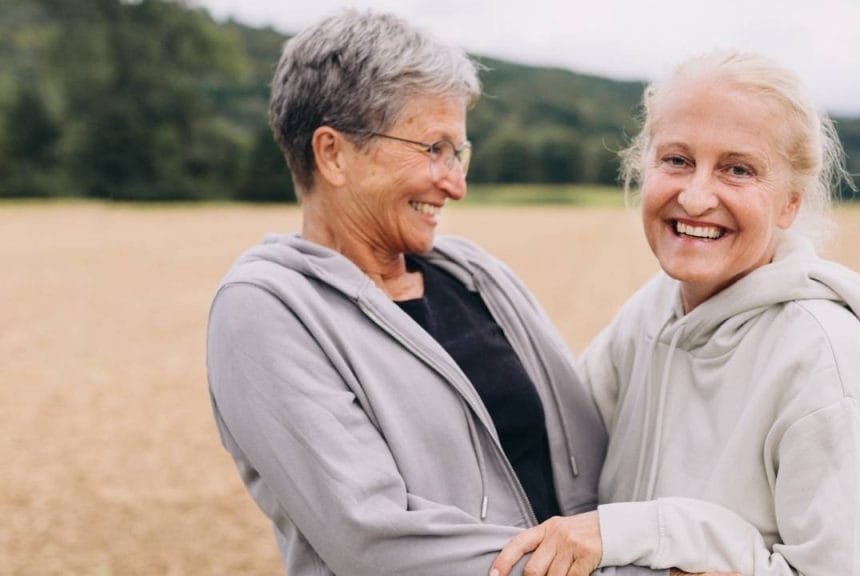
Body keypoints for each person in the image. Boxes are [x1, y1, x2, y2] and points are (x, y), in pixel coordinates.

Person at [207, 9, 672, 576]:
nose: (456, 183)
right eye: (433, 149)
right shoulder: (264, 311)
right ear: (333, 154)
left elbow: (595, 462)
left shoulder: (478, 275)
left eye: (459, 152)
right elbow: (374, 538)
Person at [491, 51, 860, 576]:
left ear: (790, 201)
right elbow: (561, 461)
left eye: (737, 169)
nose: (695, 197)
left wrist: (658, 533)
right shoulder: (652, 314)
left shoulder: (831, 374)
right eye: (676, 159)